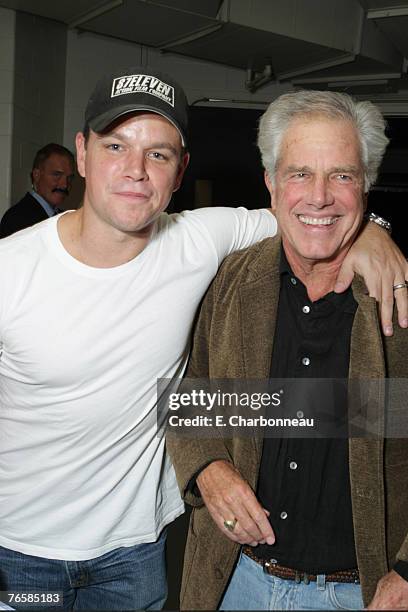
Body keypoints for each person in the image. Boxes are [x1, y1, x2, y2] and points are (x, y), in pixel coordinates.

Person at [0, 67, 406, 612]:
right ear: (83, 153)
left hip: (140, 554)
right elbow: (197, 394)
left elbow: (313, 215)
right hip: (25, 556)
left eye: (159, 154)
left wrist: (372, 230)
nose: (136, 171)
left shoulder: (199, 246)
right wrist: (209, 467)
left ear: (180, 168)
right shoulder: (14, 268)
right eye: (116, 144)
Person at [167, 91, 408, 610]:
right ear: (271, 185)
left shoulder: (401, 297)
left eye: (342, 175)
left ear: (365, 188)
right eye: (299, 173)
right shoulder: (228, 280)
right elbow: (194, 392)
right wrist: (207, 466)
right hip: (236, 581)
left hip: (360, 593)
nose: (319, 197)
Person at [0, 143, 75, 238]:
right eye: (57, 175)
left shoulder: (63, 217)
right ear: (37, 175)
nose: (65, 184)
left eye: (69, 178)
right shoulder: (18, 219)